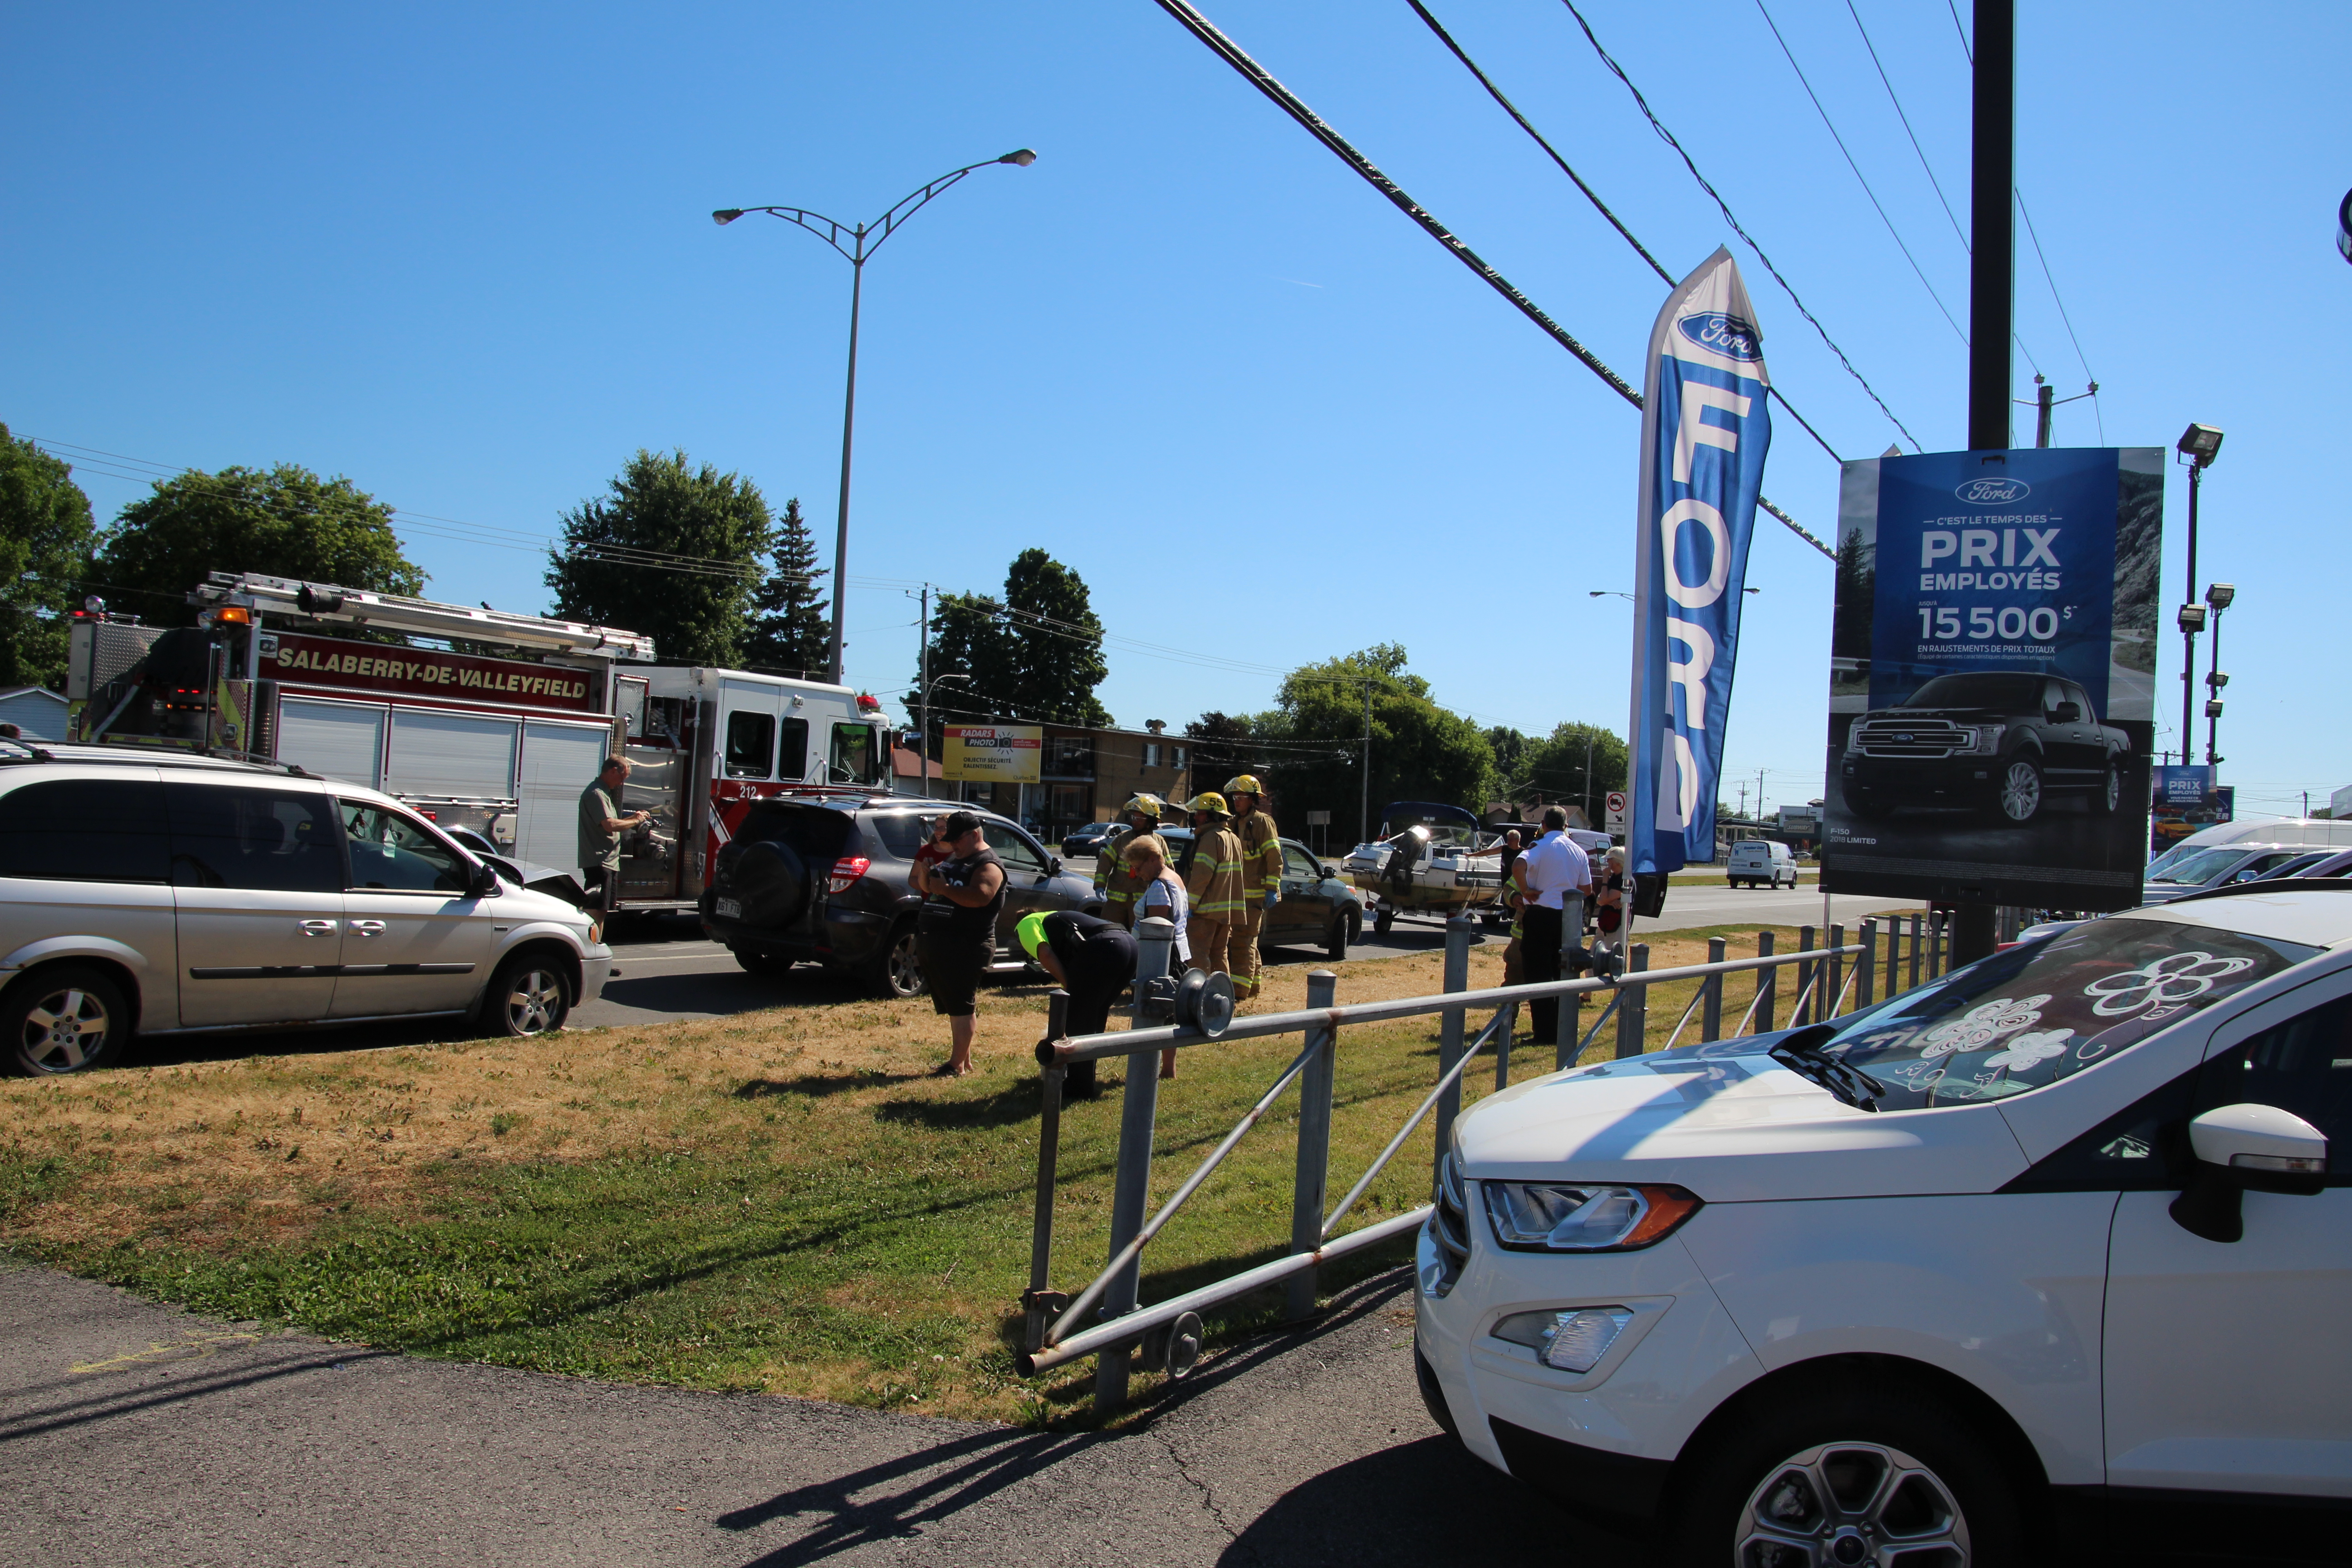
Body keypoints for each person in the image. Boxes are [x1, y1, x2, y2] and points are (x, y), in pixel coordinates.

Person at [909, 810, 1006, 1077]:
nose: (952, 845)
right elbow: (930, 888)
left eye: (957, 839)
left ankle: (954, 1066)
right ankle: (963, 1059)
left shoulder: (988, 864)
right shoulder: (958, 856)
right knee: (955, 1005)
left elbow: (981, 896)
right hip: (940, 941)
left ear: (975, 835)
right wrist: (927, 876)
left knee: (962, 1005)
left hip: (967, 944)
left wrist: (944, 889)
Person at [1017, 909, 1137, 1099]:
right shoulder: (1053, 917)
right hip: (1128, 943)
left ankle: (1077, 1088)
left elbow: (1046, 954)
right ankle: (1086, 1079)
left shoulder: (1024, 925)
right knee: (1096, 1015)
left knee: (1077, 1019)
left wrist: (1069, 985)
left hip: (1104, 946)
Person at [1513, 808, 1592, 1047]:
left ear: (1544, 824)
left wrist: (1526, 890)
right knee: (1564, 973)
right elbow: (1586, 890)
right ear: (1566, 825)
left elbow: (1518, 865)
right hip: (1568, 918)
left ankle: (1544, 1032)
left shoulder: (1539, 846)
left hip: (1540, 915)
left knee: (1538, 974)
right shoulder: (1578, 851)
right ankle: (1562, 1027)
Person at [1124, 833, 1191, 1078]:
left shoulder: (1159, 888)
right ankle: (1166, 1069)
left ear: (1154, 859)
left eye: (1138, 868)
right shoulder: (1175, 879)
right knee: (1169, 1013)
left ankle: (1153, 1068)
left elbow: (1157, 930)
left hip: (1161, 957)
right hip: (1180, 952)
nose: (1137, 874)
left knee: (1154, 1011)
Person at [578, 756, 650, 941]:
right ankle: (591, 954)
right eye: (622, 777)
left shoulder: (603, 792)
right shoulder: (596, 794)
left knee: (602, 912)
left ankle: (596, 951)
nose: (622, 782)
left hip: (608, 862)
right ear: (612, 771)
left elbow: (608, 824)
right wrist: (637, 821)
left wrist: (632, 818)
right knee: (594, 913)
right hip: (600, 862)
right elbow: (610, 825)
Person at [1225, 774, 1282, 1001]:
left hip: (1255, 895)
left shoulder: (1262, 822)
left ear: (1253, 799)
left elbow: (1274, 856)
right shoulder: (1232, 823)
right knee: (1248, 941)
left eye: (1241, 797)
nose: (1237, 801)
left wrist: (1272, 888)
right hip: (1237, 895)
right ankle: (1254, 985)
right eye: (1235, 796)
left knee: (1243, 941)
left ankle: (1240, 991)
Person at [1182, 792, 1246, 984]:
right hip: (1224, 913)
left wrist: (1190, 906)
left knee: (1198, 954)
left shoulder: (1211, 838)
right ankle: (1222, 994)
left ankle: (1197, 994)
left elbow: (1201, 877)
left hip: (1205, 911)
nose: (1195, 817)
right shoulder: (1232, 838)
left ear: (1212, 815)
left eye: (1200, 813)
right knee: (1220, 955)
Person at [1090, 793, 1167, 929]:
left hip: (1142, 901)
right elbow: (1106, 859)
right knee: (1107, 932)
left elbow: (1168, 870)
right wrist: (1100, 884)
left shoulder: (1158, 843)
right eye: (1133, 817)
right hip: (1116, 901)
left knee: (1138, 939)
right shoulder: (1122, 839)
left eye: (1139, 818)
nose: (1134, 821)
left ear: (1150, 820)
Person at [1593, 848, 1629, 956]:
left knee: (1610, 958)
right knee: (1593, 956)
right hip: (1605, 923)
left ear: (1617, 862)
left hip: (1616, 925)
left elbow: (1603, 899)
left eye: (1609, 860)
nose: (1607, 863)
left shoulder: (1623, 879)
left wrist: (1605, 878)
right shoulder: (1614, 877)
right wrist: (1608, 903)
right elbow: (1599, 901)